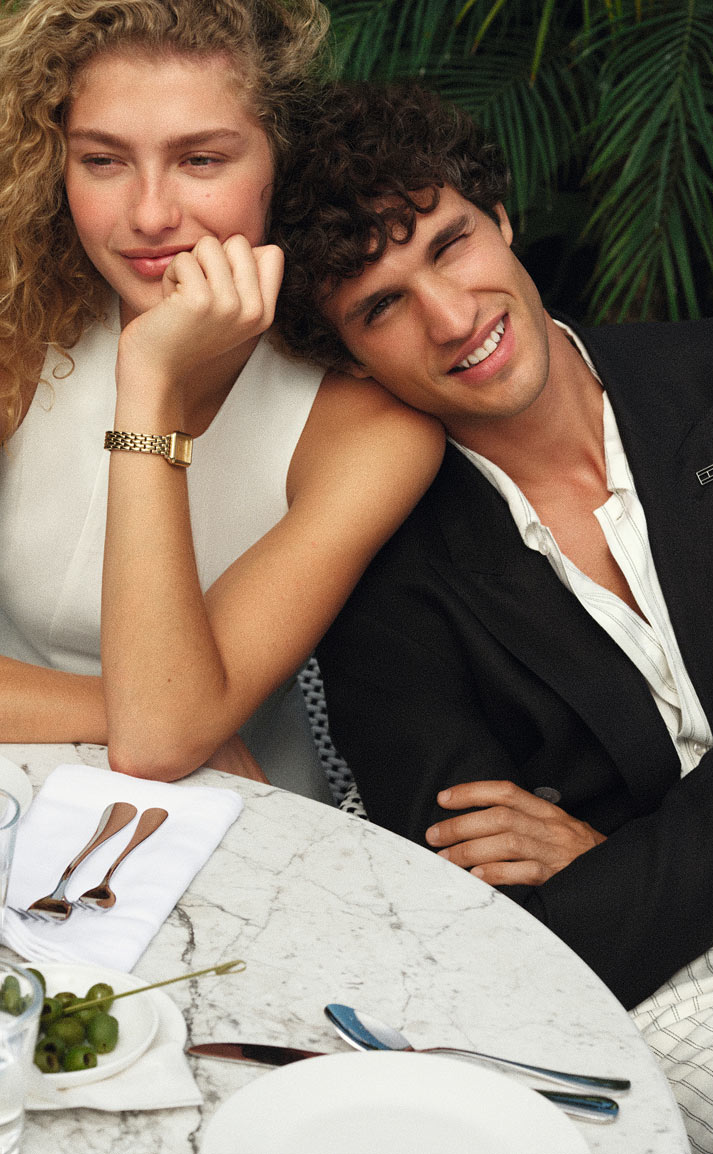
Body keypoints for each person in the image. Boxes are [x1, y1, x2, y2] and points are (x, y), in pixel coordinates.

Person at [271, 81, 713, 1150]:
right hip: (684, 997)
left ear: (499, 218)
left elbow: (598, 897)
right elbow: (537, 946)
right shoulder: (384, 597)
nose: (451, 317)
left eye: (450, 244)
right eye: (381, 304)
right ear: (344, 357)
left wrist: (618, 849)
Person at [0, 2, 443, 801]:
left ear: (283, 161)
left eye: (200, 160)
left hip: (239, 827)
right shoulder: (21, 322)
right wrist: (119, 712)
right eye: (103, 160)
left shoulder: (368, 427)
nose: (149, 215)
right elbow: (159, 725)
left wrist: (149, 380)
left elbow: (162, 739)